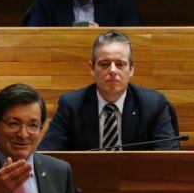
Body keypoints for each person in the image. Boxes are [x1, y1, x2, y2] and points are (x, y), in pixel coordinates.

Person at [39, 30, 179, 151]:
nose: (113, 70)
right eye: (105, 64)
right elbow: (49, 155)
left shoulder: (153, 105)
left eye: (120, 64)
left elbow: (168, 158)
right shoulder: (71, 105)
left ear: (131, 69)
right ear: (92, 68)